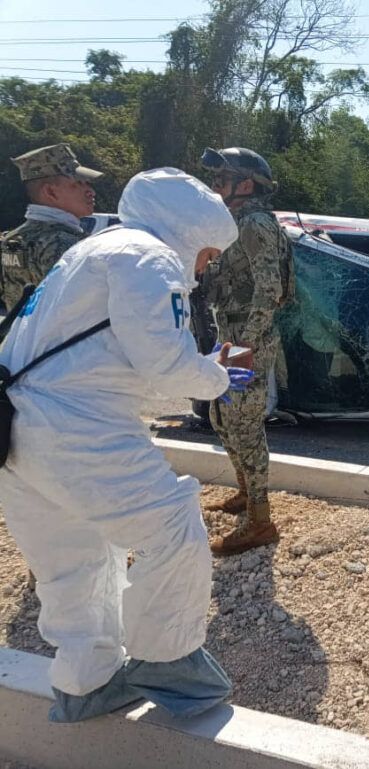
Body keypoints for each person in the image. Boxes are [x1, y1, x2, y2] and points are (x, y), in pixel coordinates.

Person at [0, 168, 249, 722]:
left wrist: (199, 375)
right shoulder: (151, 257)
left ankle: (85, 683)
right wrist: (212, 378)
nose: (205, 267)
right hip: (78, 429)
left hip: (17, 433)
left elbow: (118, 363)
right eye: (208, 253)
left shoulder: (92, 251)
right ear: (189, 232)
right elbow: (163, 360)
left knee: (75, 560)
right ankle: (167, 660)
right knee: (174, 526)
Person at [200, 146, 293, 556]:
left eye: (222, 180)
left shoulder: (255, 223)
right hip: (233, 338)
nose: (215, 187)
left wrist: (247, 344)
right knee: (223, 416)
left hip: (244, 341)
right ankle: (245, 493)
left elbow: (269, 290)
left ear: (246, 184)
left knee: (245, 424)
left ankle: (260, 519)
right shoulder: (237, 223)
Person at [1, 143, 102, 312]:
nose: (91, 191)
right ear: (50, 192)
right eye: (79, 184)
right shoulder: (66, 244)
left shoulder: (12, 240)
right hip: (62, 338)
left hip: (19, 338)